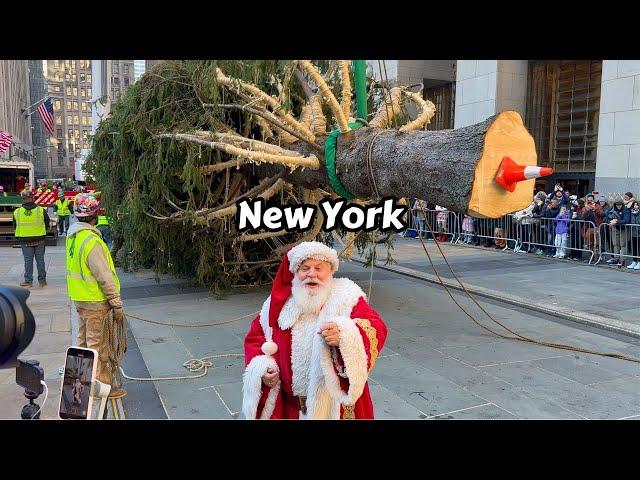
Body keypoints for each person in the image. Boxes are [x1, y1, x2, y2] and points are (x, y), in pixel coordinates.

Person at [242, 241, 387, 419]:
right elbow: (256, 337)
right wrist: (264, 368)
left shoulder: (347, 297)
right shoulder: (278, 303)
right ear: (295, 272)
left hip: (334, 407)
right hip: (289, 409)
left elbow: (375, 326)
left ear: (330, 272)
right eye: (305, 268)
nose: (312, 274)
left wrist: (345, 334)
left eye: (319, 268)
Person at [66, 193, 126, 398]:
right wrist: (116, 304)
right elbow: (104, 276)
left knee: (82, 345)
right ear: (96, 216)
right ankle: (102, 388)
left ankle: (80, 385)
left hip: (80, 300)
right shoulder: (92, 241)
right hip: (95, 302)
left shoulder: (73, 237)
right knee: (99, 347)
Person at [13, 190, 50, 287]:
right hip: (40, 239)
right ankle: (42, 281)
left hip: (25, 240)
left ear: (23, 199)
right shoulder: (41, 210)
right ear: (32, 198)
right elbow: (47, 223)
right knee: (40, 260)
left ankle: (28, 281)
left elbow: (15, 226)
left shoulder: (17, 212)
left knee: (28, 260)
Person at [603, 197, 631, 267]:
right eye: (617, 204)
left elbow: (626, 220)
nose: (619, 206)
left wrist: (616, 221)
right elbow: (606, 218)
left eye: (620, 204)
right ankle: (616, 258)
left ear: (622, 204)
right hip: (615, 229)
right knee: (615, 244)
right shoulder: (611, 209)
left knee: (623, 244)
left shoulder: (626, 210)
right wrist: (610, 221)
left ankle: (622, 260)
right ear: (615, 204)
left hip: (624, 229)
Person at [627, 200, 640, 270]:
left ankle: (639, 262)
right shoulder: (631, 212)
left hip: (639, 233)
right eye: (634, 205)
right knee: (634, 248)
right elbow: (626, 208)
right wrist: (630, 201)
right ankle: (634, 261)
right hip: (633, 233)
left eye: (637, 205)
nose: (635, 206)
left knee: (639, 248)